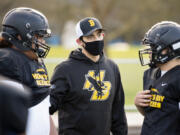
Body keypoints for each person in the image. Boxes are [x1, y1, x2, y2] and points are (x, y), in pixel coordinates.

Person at [49, 17, 127, 135]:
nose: (96, 39)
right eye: (90, 37)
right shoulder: (64, 70)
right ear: (79, 41)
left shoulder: (112, 67)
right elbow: (48, 107)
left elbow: (118, 113)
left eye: (99, 35)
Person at [0, 7, 57, 135]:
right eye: (38, 36)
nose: (42, 41)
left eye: (43, 37)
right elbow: (10, 116)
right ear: (19, 36)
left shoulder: (36, 62)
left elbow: (43, 107)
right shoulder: (8, 61)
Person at [134, 21, 180, 135]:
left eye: (153, 47)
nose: (149, 51)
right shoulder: (149, 74)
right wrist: (139, 105)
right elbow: (155, 115)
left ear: (169, 49)